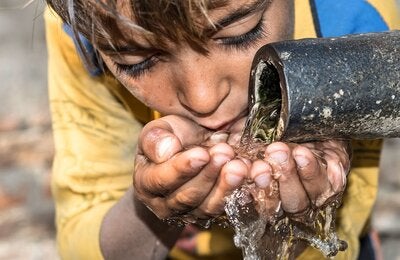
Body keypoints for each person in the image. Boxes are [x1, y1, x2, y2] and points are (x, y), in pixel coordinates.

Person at [44, 0, 399, 259]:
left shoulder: (361, 27)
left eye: (238, 33)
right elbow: (82, 238)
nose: (203, 99)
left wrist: (304, 221)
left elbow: (341, 243)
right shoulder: (91, 20)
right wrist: (153, 206)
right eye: (137, 61)